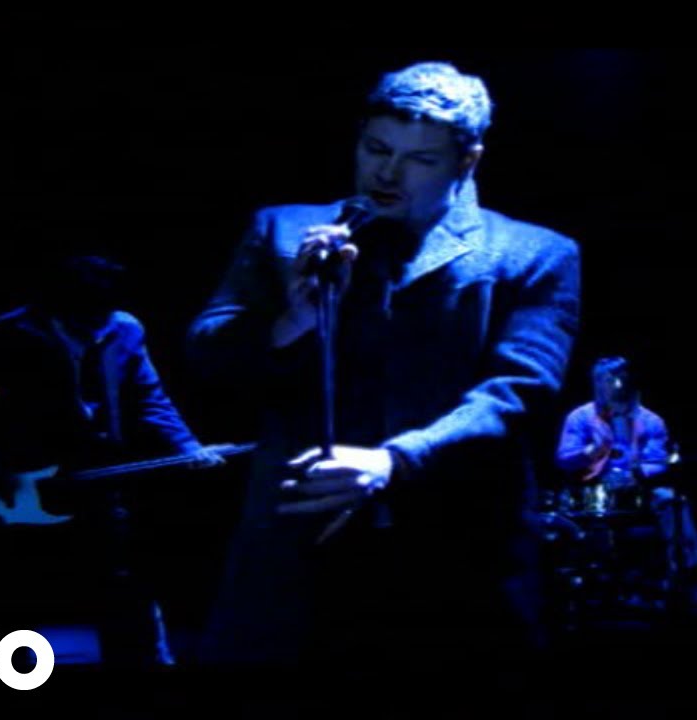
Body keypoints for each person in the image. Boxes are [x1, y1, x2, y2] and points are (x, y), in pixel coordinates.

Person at [188, 61, 581, 686]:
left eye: (420, 159)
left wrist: (394, 462)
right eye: (376, 149)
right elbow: (208, 357)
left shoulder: (532, 253)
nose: (388, 174)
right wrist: (294, 318)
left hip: (460, 558)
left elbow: (519, 393)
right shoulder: (283, 230)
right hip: (295, 555)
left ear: (468, 161)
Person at [0, 255, 222, 666]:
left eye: (101, 318)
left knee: (124, 583)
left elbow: (149, 397)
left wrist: (186, 447)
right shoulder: (5, 334)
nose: (95, 330)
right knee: (10, 588)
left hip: (100, 473)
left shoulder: (125, 328)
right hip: (24, 481)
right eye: (83, 323)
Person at [556, 356, 697, 589]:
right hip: (591, 489)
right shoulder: (580, 417)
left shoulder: (651, 421)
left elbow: (657, 460)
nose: (610, 385)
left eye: (616, 379)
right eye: (603, 380)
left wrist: (636, 474)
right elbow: (564, 459)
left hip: (637, 489)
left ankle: (689, 569)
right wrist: (590, 451)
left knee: (671, 500)